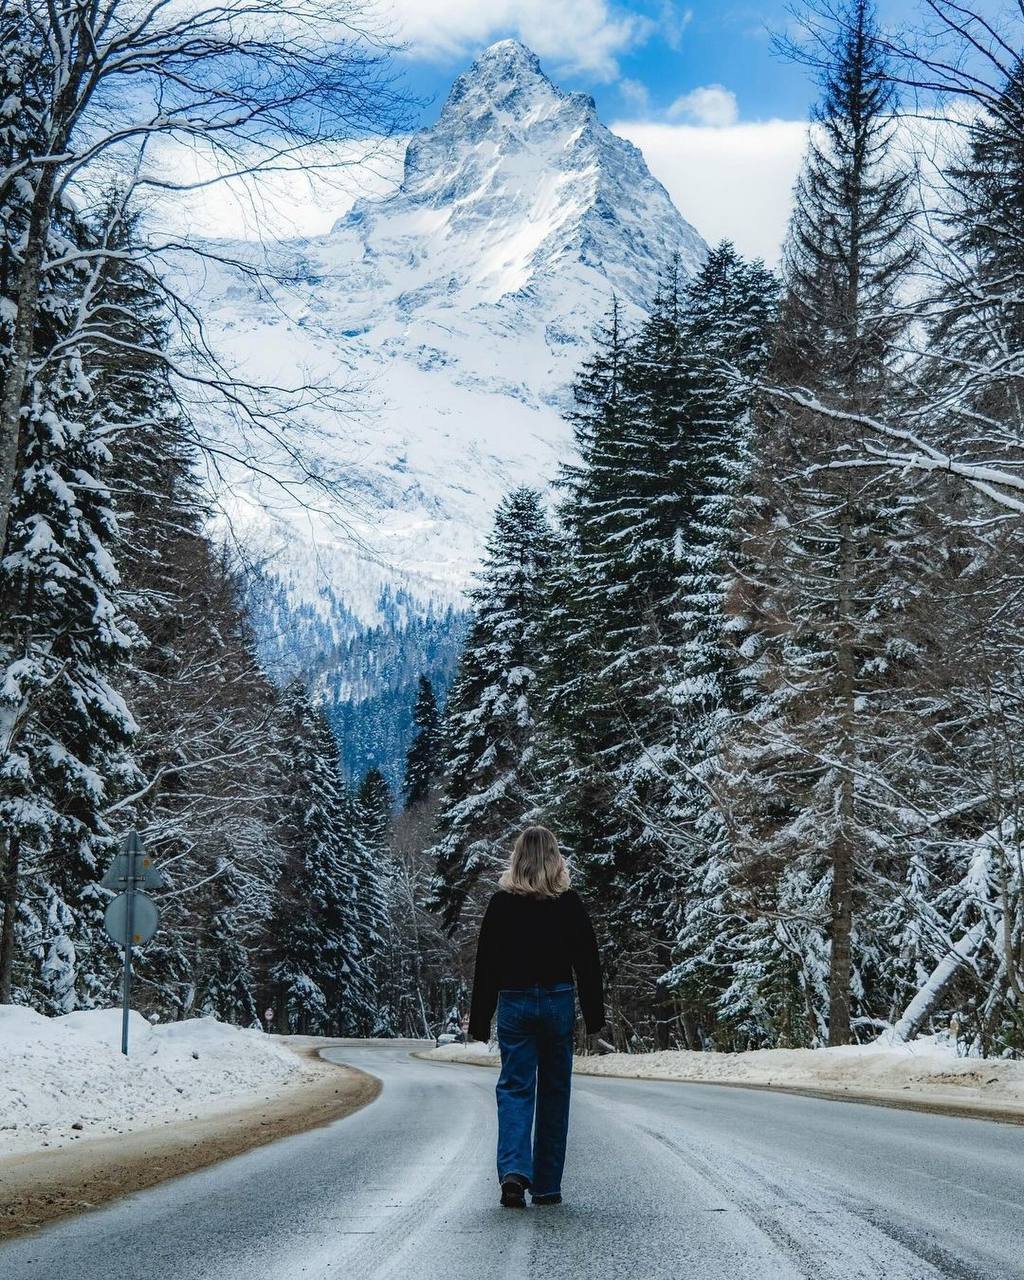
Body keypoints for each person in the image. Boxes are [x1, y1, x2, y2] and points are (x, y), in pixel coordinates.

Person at [468, 825, 605, 1209]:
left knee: (515, 1087)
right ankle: (546, 1186)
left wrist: (480, 1019)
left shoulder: (501, 904)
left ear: (517, 858)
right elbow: (587, 962)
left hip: (514, 1002)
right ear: (555, 859)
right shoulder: (569, 903)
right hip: (558, 1002)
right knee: (555, 1091)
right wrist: (594, 1013)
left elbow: (487, 966)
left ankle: (514, 1171)